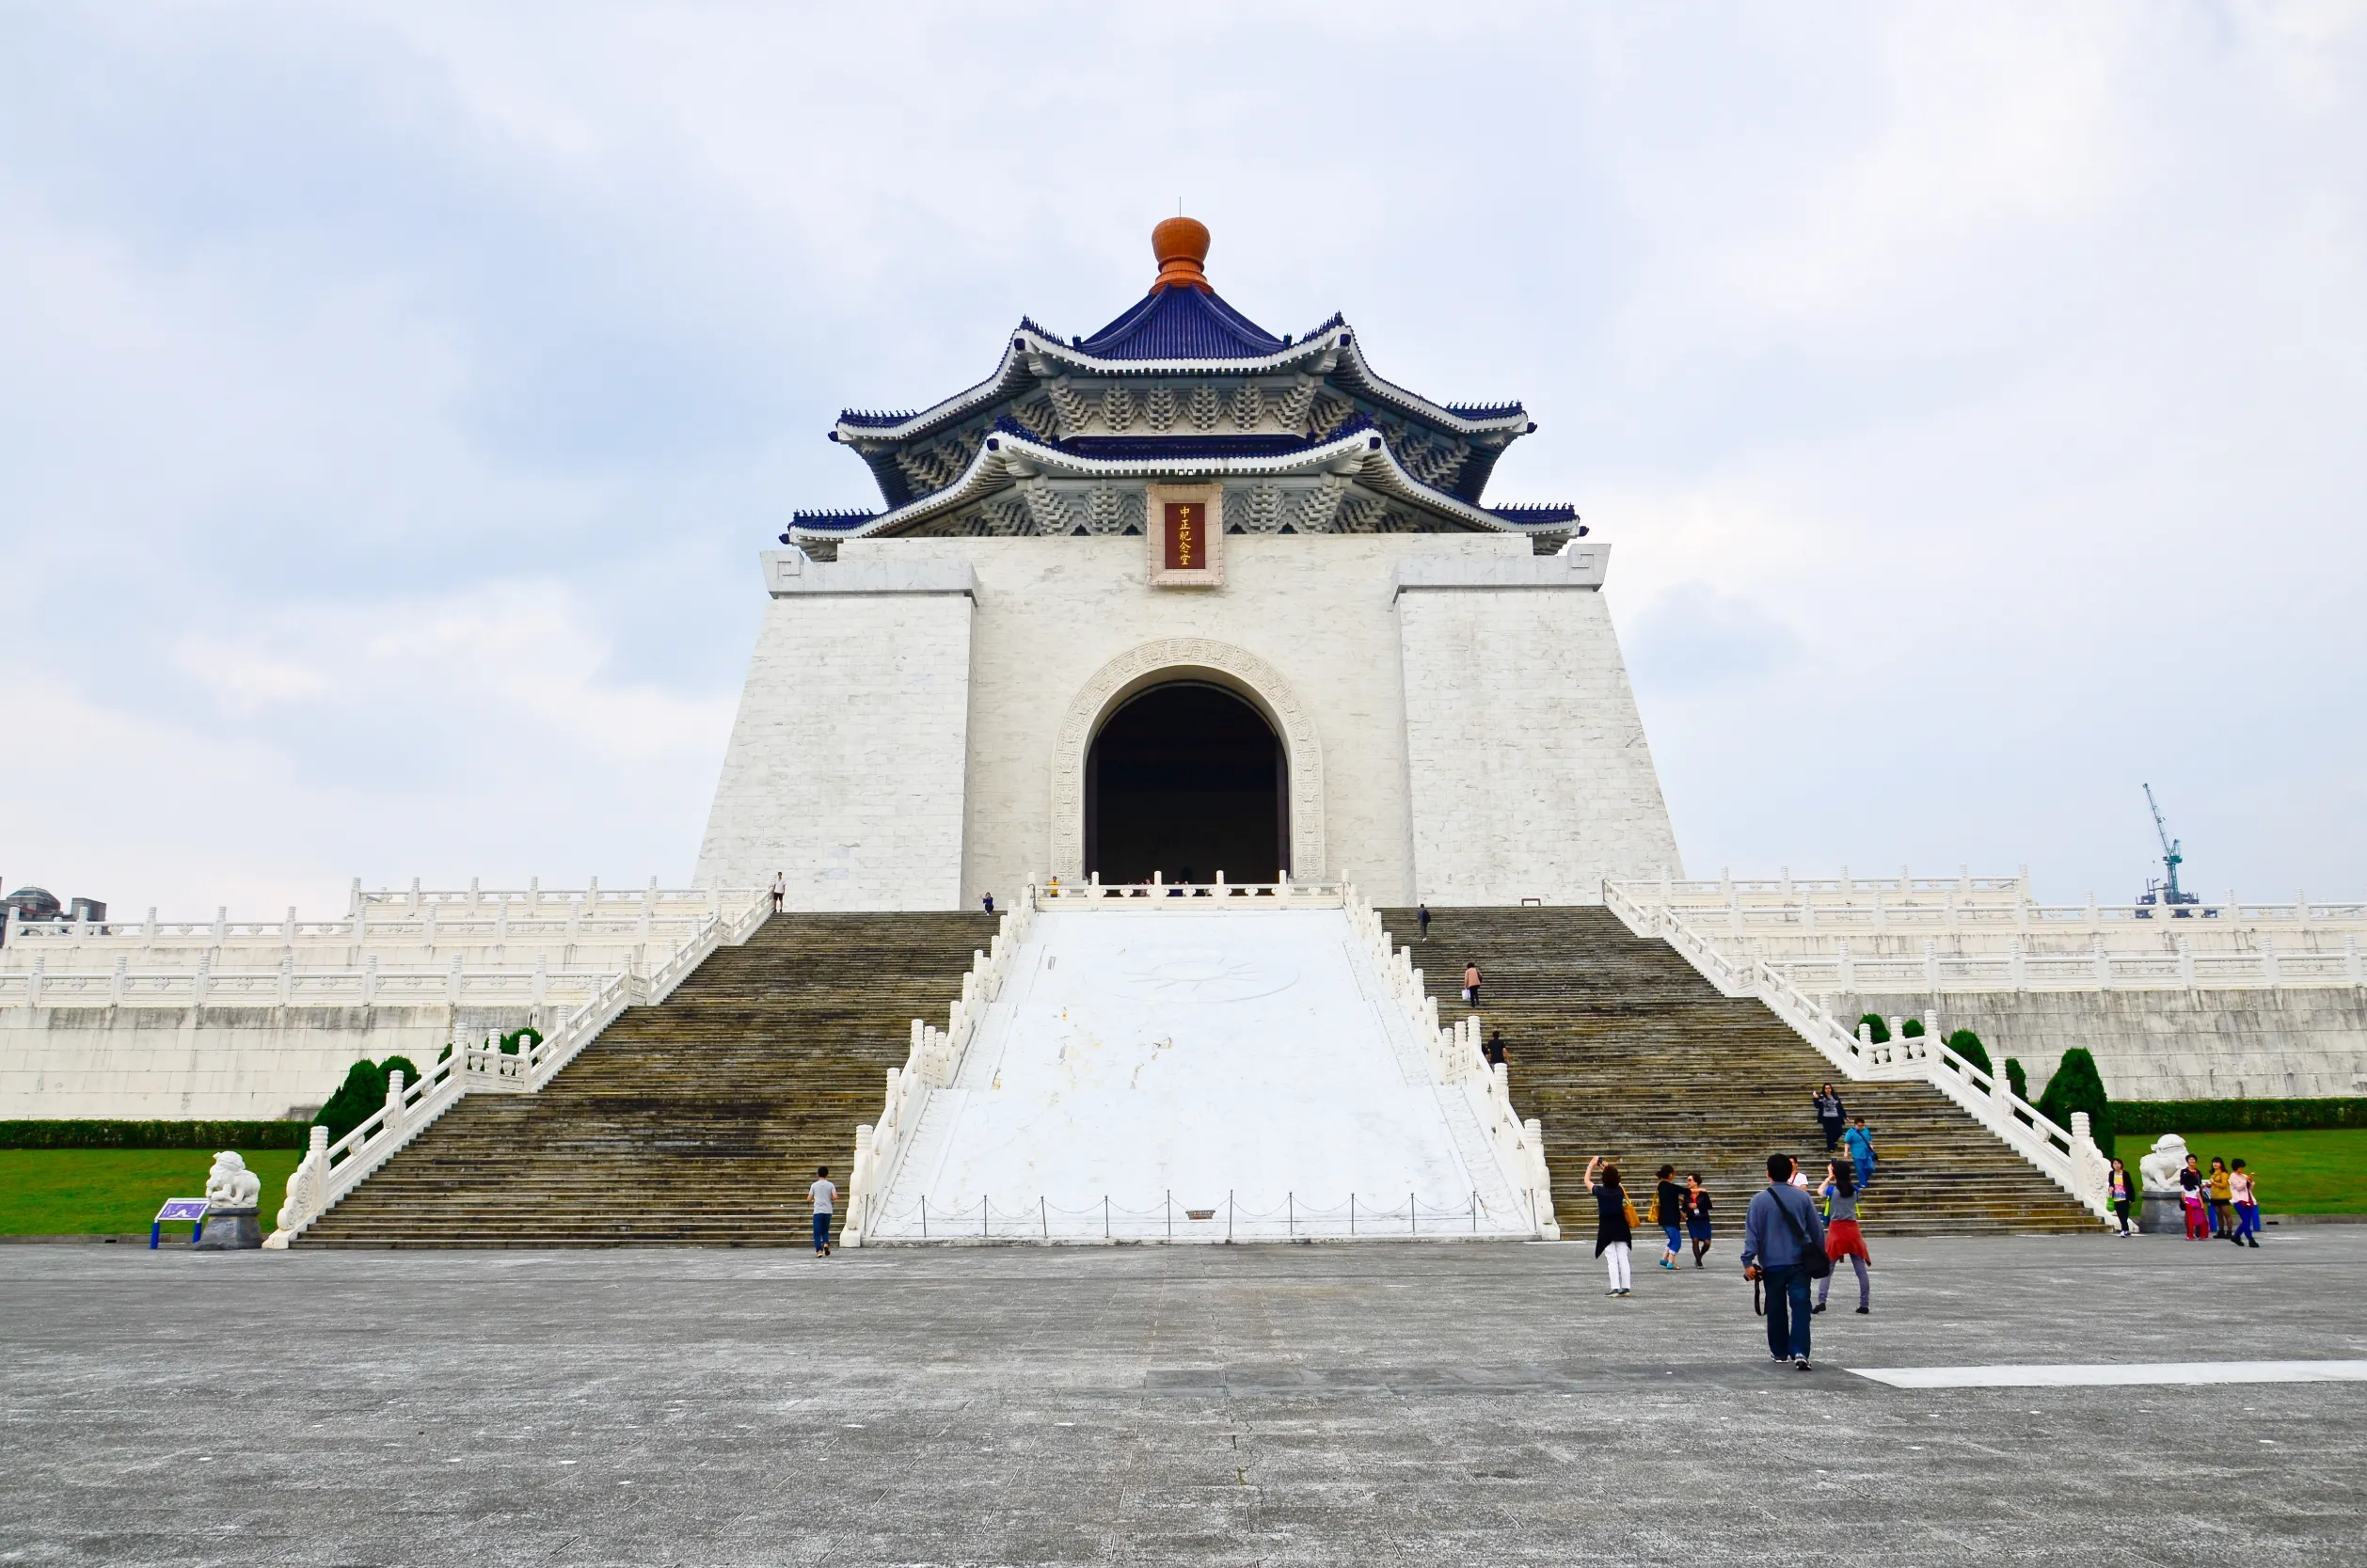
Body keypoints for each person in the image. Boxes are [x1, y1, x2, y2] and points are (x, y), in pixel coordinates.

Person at [1741, 1152, 1826, 1370]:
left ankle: (1779, 1351)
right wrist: (1820, 1252)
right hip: (1799, 1263)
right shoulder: (1803, 1197)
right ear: (1791, 1173)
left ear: (1768, 1173)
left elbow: (1752, 1234)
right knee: (1801, 1307)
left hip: (1772, 1264)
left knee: (1776, 1307)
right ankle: (1799, 1350)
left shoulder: (1758, 1200)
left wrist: (1748, 1261)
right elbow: (1817, 1231)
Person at [1814, 1160, 1872, 1315]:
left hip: (1836, 1230)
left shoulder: (1832, 1191)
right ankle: (1864, 1304)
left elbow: (1819, 1191)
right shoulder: (1855, 1191)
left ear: (1835, 1174)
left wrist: (1828, 1177)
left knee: (1828, 1268)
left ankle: (1822, 1300)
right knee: (1860, 1269)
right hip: (1853, 1230)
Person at [1584, 1156, 1634, 1296]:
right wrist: (1607, 1167)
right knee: (1623, 1257)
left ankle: (1615, 1287)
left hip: (1607, 1227)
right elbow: (1617, 1181)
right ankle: (1626, 1287)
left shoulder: (1600, 1191)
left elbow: (1586, 1181)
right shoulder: (1620, 1190)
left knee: (1611, 1258)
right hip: (1621, 1226)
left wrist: (1591, 1165)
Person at [1653, 1164, 1685, 1271]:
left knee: (1672, 1240)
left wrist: (1678, 1198)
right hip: (1670, 1219)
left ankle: (1664, 1259)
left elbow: (1670, 1198)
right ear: (1670, 1174)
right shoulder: (1670, 1187)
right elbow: (1686, 1191)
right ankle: (1671, 1263)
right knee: (1677, 1242)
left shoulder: (1662, 1186)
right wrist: (1701, 1190)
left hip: (1664, 1218)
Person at [2230, 1159, 2261, 1248]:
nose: (2242, 1169)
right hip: (2239, 1200)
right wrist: (2245, 1180)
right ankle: (2250, 1239)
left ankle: (2236, 1236)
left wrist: (2251, 1181)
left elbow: (2249, 1188)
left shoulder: (2243, 1175)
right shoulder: (2233, 1176)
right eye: (2240, 1167)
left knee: (2246, 1221)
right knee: (2246, 1221)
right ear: (2236, 1167)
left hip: (2248, 1200)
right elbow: (2238, 1187)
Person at [1684, 1173, 1714, 1267]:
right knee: (1695, 1239)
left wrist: (1698, 1205)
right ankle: (1699, 1262)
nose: (1688, 1182)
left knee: (1707, 1242)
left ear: (1696, 1181)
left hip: (1703, 1219)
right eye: (1687, 1180)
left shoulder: (1703, 1193)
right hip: (1692, 1220)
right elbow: (1684, 1208)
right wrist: (1688, 1207)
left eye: (1690, 1180)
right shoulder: (1687, 1194)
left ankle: (1699, 1256)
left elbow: (1709, 1206)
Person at [809, 1164, 838, 1257]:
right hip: (828, 1210)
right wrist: (830, 1198)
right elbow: (835, 1197)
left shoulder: (814, 1185)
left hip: (818, 1210)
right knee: (825, 1231)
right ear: (827, 1174)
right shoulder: (830, 1185)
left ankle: (819, 1251)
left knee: (817, 1233)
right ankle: (825, 1243)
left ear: (818, 1174)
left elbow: (809, 1198)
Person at [1842, 1116, 1877, 1191]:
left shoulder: (1866, 1130)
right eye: (1859, 1125)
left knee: (1871, 1167)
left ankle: (1864, 1177)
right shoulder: (1850, 1132)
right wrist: (1846, 1152)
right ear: (1855, 1125)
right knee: (1860, 1169)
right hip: (1857, 1154)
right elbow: (1847, 1143)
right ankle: (1863, 1183)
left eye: (1862, 1125)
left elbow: (1869, 1140)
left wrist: (1871, 1145)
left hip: (1867, 1152)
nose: (1861, 1127)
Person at [2180, 1154, 2208, 1240]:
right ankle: (2191, 1233)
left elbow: (2198, 1185)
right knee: (2190, 1217)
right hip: (2190, 1197)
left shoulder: (2198, 1172)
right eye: (2190, 1159)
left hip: (2195, 1196)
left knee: (2197, 1216)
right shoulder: (2184, 1171)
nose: (2191, 1161)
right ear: (2187, 1161)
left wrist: (2201, 1187)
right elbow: (2182, 1188)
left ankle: (2197, 1234)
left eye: (2193, 1159)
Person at [1814, 1085, 1847, 1151]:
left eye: (1829, 1088)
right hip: (1826, 1117)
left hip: (1836, 1117)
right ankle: (1831, 1148)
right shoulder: (1821, 1097)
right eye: (1826, 1088)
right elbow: (1817, 1106)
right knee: (1829, 1133)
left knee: (1839, 1131)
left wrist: (1845, 1116)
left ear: (1831, 1089)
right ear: (1824, 1090)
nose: (1828, 1090)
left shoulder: (1835, 1097)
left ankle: (1833, 1141)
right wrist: (1816, 1098)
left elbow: (1840, 1107)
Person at [2207, 1157, 2232, 1239]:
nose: (2215, 1164)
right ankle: (2221, 1231)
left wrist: (2213, 1182)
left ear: (2221, 1164)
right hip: (2215, 1197)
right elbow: (2213, 1185)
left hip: (2223, 1197)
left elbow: (2224, 1185)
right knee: (2219, 1215)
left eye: (2217, 1162)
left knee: (2227, 1214)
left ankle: (2229, 1232)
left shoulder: (2223, 1173)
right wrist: (2209, 1185)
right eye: (2214, 1162)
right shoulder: (2214, 1173)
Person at [2108, 1157, 2135, 1236]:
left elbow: (2129, 1186)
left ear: (2121, 1164)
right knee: (2120, 1215)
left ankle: (2123, 1230)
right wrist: (2110, 1188)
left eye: (2118, 1163)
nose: (2116, 1165)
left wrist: (2132, 1198)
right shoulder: (2111, 1174)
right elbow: (2111, 1184)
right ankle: (2125, 1230)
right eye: (2115, 1163)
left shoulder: (2125, 1173)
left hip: (2124, 1197)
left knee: (2125, 1214)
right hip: (2116, 1197)